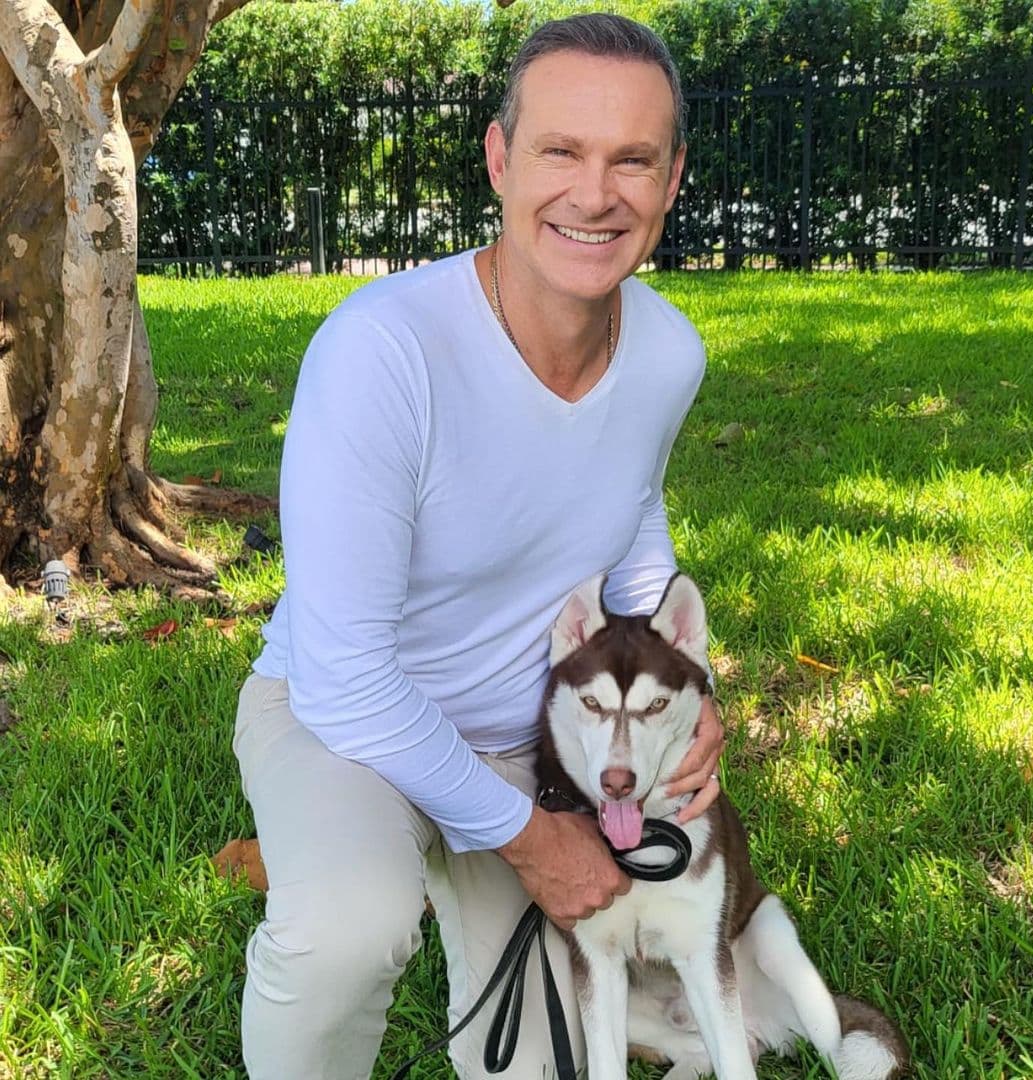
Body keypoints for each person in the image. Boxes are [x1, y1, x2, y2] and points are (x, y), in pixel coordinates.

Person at [233, 13, 724, 1080]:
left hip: (538, 735)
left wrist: (694, 693)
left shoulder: (670, 353)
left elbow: (631, 510)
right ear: (500, 159)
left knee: (543, 1060)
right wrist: (534, 840)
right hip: (342, 723)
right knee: (346, 932)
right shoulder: (383, 353)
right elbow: (350, 674)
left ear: (673, 176)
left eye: (631, 159)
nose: (594, 195)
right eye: (560, 150)